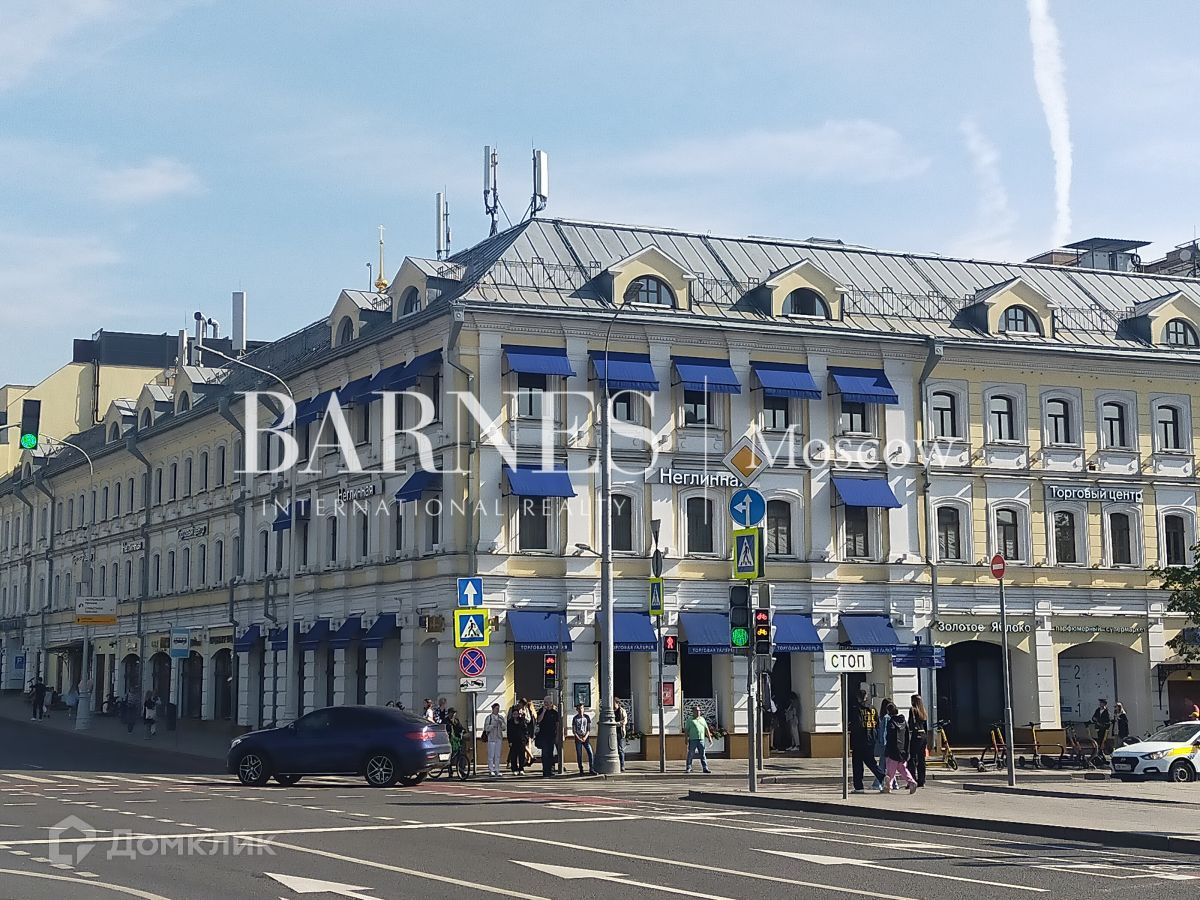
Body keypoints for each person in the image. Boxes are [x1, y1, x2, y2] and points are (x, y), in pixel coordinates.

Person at [849, 687, 887, 793]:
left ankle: (859, 787)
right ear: (866, 697)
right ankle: (882, 776)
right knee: (870, 761)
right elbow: (877, 723)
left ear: (858, 697)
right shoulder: (873, 708)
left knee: (857, 764)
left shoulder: (856, 709)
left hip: (859, 739)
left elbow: (856, 724)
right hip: (871, 738)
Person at [883, 701, 919, 794]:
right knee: (902, 769)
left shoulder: (891, 722)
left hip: (893, 750)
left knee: (890, 770)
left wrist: (888, 749)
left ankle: (888, 786)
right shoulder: (904, 722)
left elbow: (889, 738)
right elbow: (907, 737)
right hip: (902, 750)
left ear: (888, 712)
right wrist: (907, 751)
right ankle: (911, 782)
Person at [907, 694, 929, 788]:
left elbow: (911, 723)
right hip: (923, 735)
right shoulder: (923, 710)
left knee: (912, 758)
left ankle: (912, 779)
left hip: (916, 735)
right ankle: (922, 780)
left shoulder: (913, 710)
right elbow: (925, 726)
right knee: (921, 759)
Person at [536, 698, 561, 777]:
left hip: (551, 736)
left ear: (551, 703)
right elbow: (538, 720)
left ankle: (550, 771)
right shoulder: (541, 710)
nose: (546, 704)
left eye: (547, 702)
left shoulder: (554, 713)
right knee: (545, 754)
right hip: (543, 736)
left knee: (550, 754)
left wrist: (557, 736)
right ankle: (545, 771)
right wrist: (543, 711)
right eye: (545, 702)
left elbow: (557, 725)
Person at [685, 705, 712, 774]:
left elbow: (706, 729)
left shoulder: (702, 719)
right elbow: (686, 730)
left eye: (699, 711)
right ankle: (689, 767)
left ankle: (705, 768)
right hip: (693, 739)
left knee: (702, 754)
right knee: (691, 754)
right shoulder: (690, 720)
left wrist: (709, 738)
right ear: (693, 712)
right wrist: (686, 739)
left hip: (701, 739)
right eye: (696, 711)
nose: (698, 712)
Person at [872, 697, 892, 791]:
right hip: (886, 743)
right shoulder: (886, 717)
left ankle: (887, 783)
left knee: (886, 764)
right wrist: (884, 743)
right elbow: (884, 732)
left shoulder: (881, 717)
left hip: (883, 743)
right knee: (884, 764)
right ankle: (878, 783)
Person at [571, 703, 596, 775]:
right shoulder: (575, 718)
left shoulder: (587, 717)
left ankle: (591, 769)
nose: (580, 710)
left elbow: (588, 729)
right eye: (579, 709)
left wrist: (585, 737)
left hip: (585, 738)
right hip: (578, 738)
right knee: (579, 754)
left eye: (582, 708)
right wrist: (578, 737)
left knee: (590, 752)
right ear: (577, 710)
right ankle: (581, 769)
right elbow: (574, 730)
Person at [483, 702, 506, 777]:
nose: (497, 710)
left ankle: (497, 769)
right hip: (491, 738)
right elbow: (486, 728)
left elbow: (504, 728)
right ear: (493, 709)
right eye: (496, 708)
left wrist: (501, 723)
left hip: (498, 737)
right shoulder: (489, 718)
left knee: (497, 755)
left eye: (498, 708)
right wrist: (492, 726)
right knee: (491, 755)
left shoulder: (500, 717)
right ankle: (491, 769)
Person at [507, 701, 529, 775]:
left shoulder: (522, 721)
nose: (515, 715)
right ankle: (514, 769)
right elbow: (509, 732)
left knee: (521, 756)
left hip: (521, 741)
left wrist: (525, 739)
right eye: (514, 714)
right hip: (513, 741)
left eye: (516, 714)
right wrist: (510, 741)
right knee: (513, 756)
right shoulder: (510, 722)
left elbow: (525, 730)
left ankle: (521, 769)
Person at [613, 700, 628, 773]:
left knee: (620, 749)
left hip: (619, 732)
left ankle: (622, 765)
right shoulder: (611, 711)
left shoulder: (622, 711)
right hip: (611, 732)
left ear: (618, 704)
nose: (613, 705)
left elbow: (624, 721)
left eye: (614, 704)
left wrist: (616, 724)